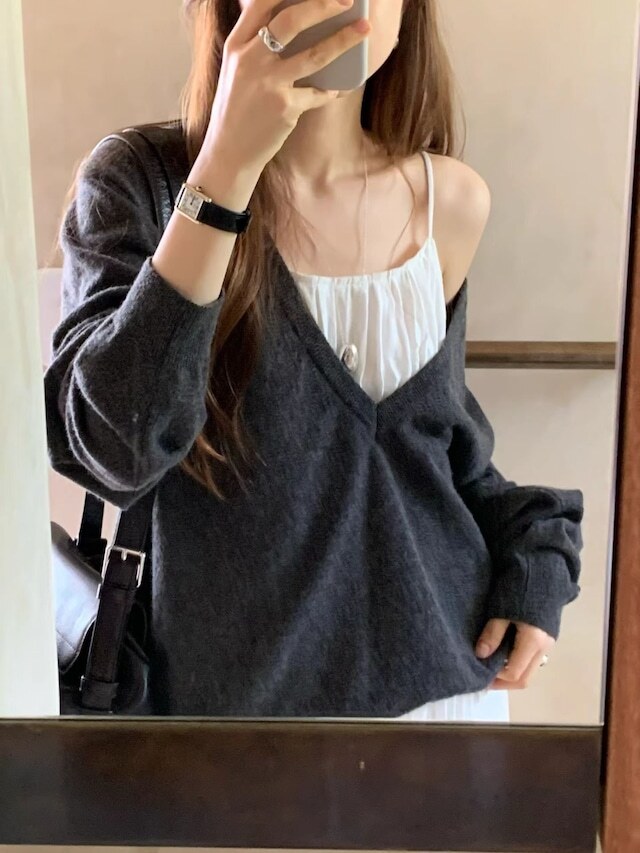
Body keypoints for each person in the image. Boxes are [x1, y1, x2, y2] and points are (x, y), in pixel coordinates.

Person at [44, 0, 584, 720]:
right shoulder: (140, 185)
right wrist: (226, 170)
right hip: (236, 738)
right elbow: (116, 448)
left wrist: (538, 561)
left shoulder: (450, 203)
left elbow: (437, 460)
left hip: (446, 710)